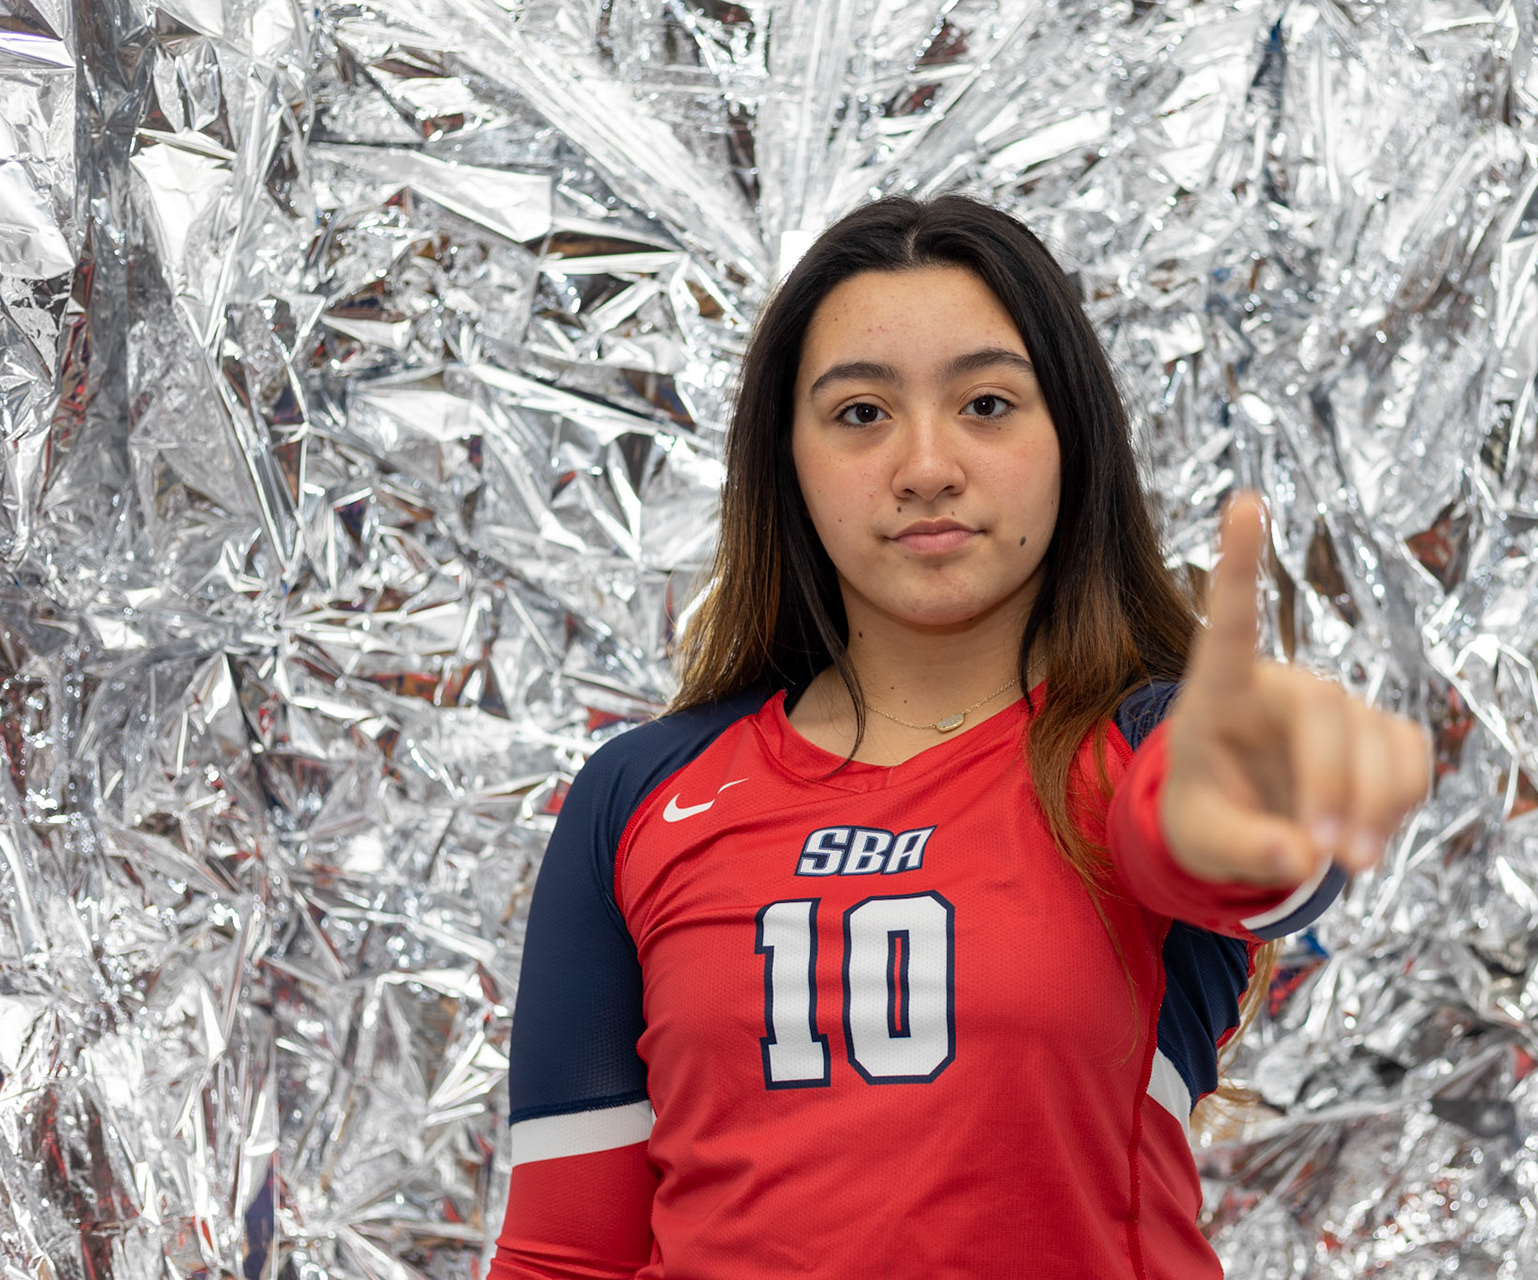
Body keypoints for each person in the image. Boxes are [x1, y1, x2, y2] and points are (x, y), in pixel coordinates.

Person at [487, 195, 1429, 1279]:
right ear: (783, 457)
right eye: (859, 414)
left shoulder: (1146, 751)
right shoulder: (641, 793)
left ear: (1070, 437)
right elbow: (563, 1253)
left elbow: (1246, 850)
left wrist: (1242, 800)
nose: (926, 464)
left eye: (986, 403)